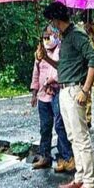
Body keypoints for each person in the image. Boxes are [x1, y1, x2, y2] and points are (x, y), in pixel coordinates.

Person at [41, 2, 94, 188]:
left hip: (75, 89)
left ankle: (90, 182)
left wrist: (85, 89)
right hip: (64, 89)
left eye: (51, 21)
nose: (51, 25)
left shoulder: (76, 35)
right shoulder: (66, 38)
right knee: (73, 137)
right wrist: (46, 59)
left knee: (81, 137)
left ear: (57, 20)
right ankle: (80, 177)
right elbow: (63, 66)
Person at [30, 25, 74, 172]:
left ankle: (65, 157)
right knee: (45, 126)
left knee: (60, 126)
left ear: (56, 35)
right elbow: (35, 74)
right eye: (45, 37)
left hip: (56, 92)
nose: (47, 40)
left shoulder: (60, 50)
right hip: (43, 95)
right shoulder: (39, 53)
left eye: (50, 36)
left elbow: (61, 69)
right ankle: (45, 156)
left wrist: (51, 80)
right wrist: (34, 92)